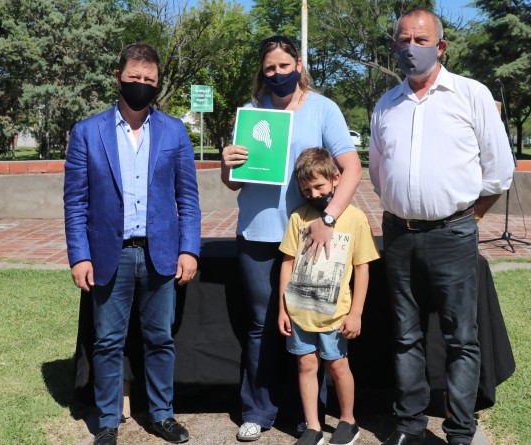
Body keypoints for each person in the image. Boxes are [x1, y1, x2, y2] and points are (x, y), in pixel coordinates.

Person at [369, 8, 515, 445]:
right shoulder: (387, 104)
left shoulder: (470, 94)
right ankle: (410, 426)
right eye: (403, 40)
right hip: (399, 235)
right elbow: (378, 172)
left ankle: (460, 431)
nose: (411, 48)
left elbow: (499, 172)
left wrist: (466, 218)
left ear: (441, 46)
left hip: (453, 234)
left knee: (461, 338)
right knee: (405, 335)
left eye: (421, 40)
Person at [220, 35, 363, 442]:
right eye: (270, 68)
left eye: (284, 66)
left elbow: (351, 169)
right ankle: (257, 410)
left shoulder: (324, 108)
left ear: (298, 65)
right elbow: (234, 183)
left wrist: (329, 219)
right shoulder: (251, 113)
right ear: (261, 72)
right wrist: (227, 165)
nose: (278, 73)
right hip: (259, 233)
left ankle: (308, 417)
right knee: (261, 325)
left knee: (310, 322)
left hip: (310, 236)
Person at [64, 42, 201, 445]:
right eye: (134, 77)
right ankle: (108, 419)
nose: (141, 84)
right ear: (118, 78)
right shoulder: (88, 132)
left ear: (157, 83)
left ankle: (162, 415)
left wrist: (189, 249)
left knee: (160, 338)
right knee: (108, 341)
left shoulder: (174, 131)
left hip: (161, 253)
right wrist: (79, 256)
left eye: (149, 79)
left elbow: (188, 198)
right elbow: (75, 202)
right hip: (111, 254)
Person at [278, 148, 379, 445]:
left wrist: (356, 312)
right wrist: (283, 309)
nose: (313, 194)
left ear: (336, 179)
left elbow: (362, 268)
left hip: (336, 314)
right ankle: (313, 426)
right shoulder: (298, 217)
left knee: (337, 365)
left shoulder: (355, 218)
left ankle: (348, 421)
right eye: (306, 190)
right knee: (306, 365)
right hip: (299, 313)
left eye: (319, 186)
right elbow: (287, 263)